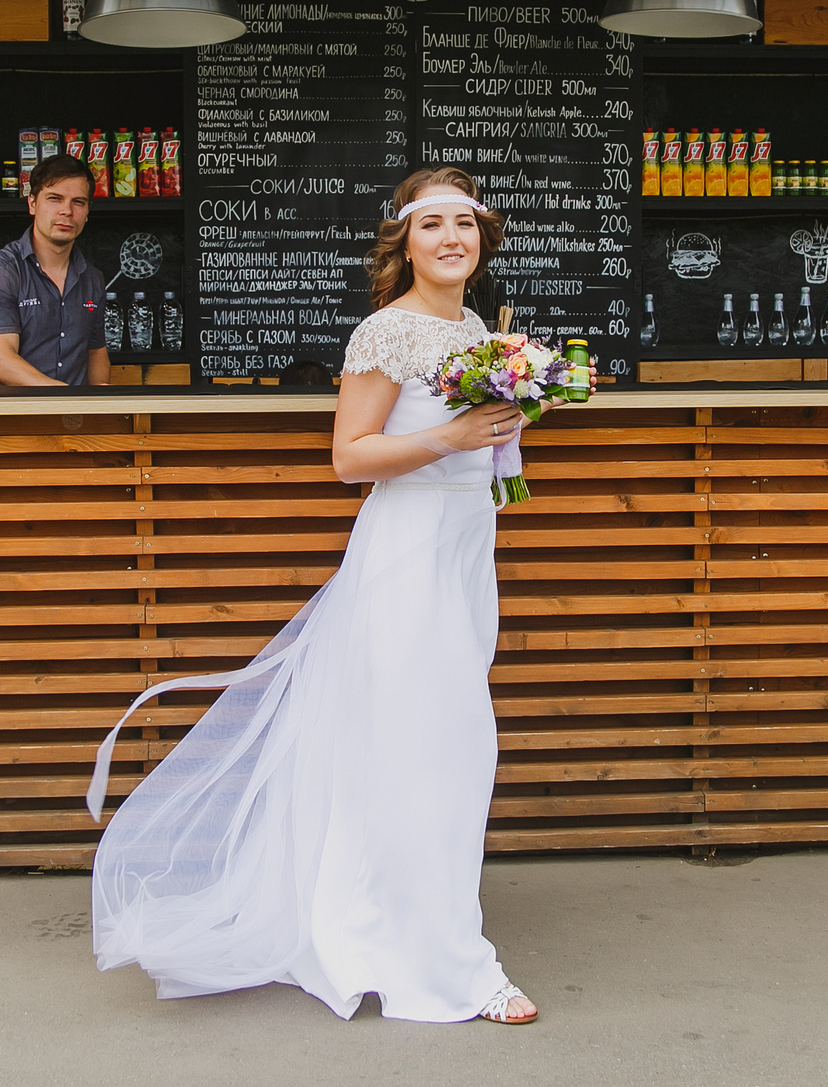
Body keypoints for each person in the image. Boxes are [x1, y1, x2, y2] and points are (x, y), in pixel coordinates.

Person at [86, 165, 582, 1025]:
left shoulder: (473, 327)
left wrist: (505, 425)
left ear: (483, 236)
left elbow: (467, 443)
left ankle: (406, 917)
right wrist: (457, 435)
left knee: (437, 746)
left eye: (464, 223)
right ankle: (451, 965)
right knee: (435, 747)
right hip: (407, 554)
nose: (451, 239)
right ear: (405, 241)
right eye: (432, 225)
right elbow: (350, 456)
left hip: (466, 551)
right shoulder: (386, 332)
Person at [0, 153, 111, 388]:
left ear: (87, 212)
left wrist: (101, 400)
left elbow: (95, 353)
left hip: (76, 410)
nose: (67, 211)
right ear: (32, 204)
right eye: (55, 199)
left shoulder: (92, 278)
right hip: (14, 411)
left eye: (78, 202)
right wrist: (65, 397)